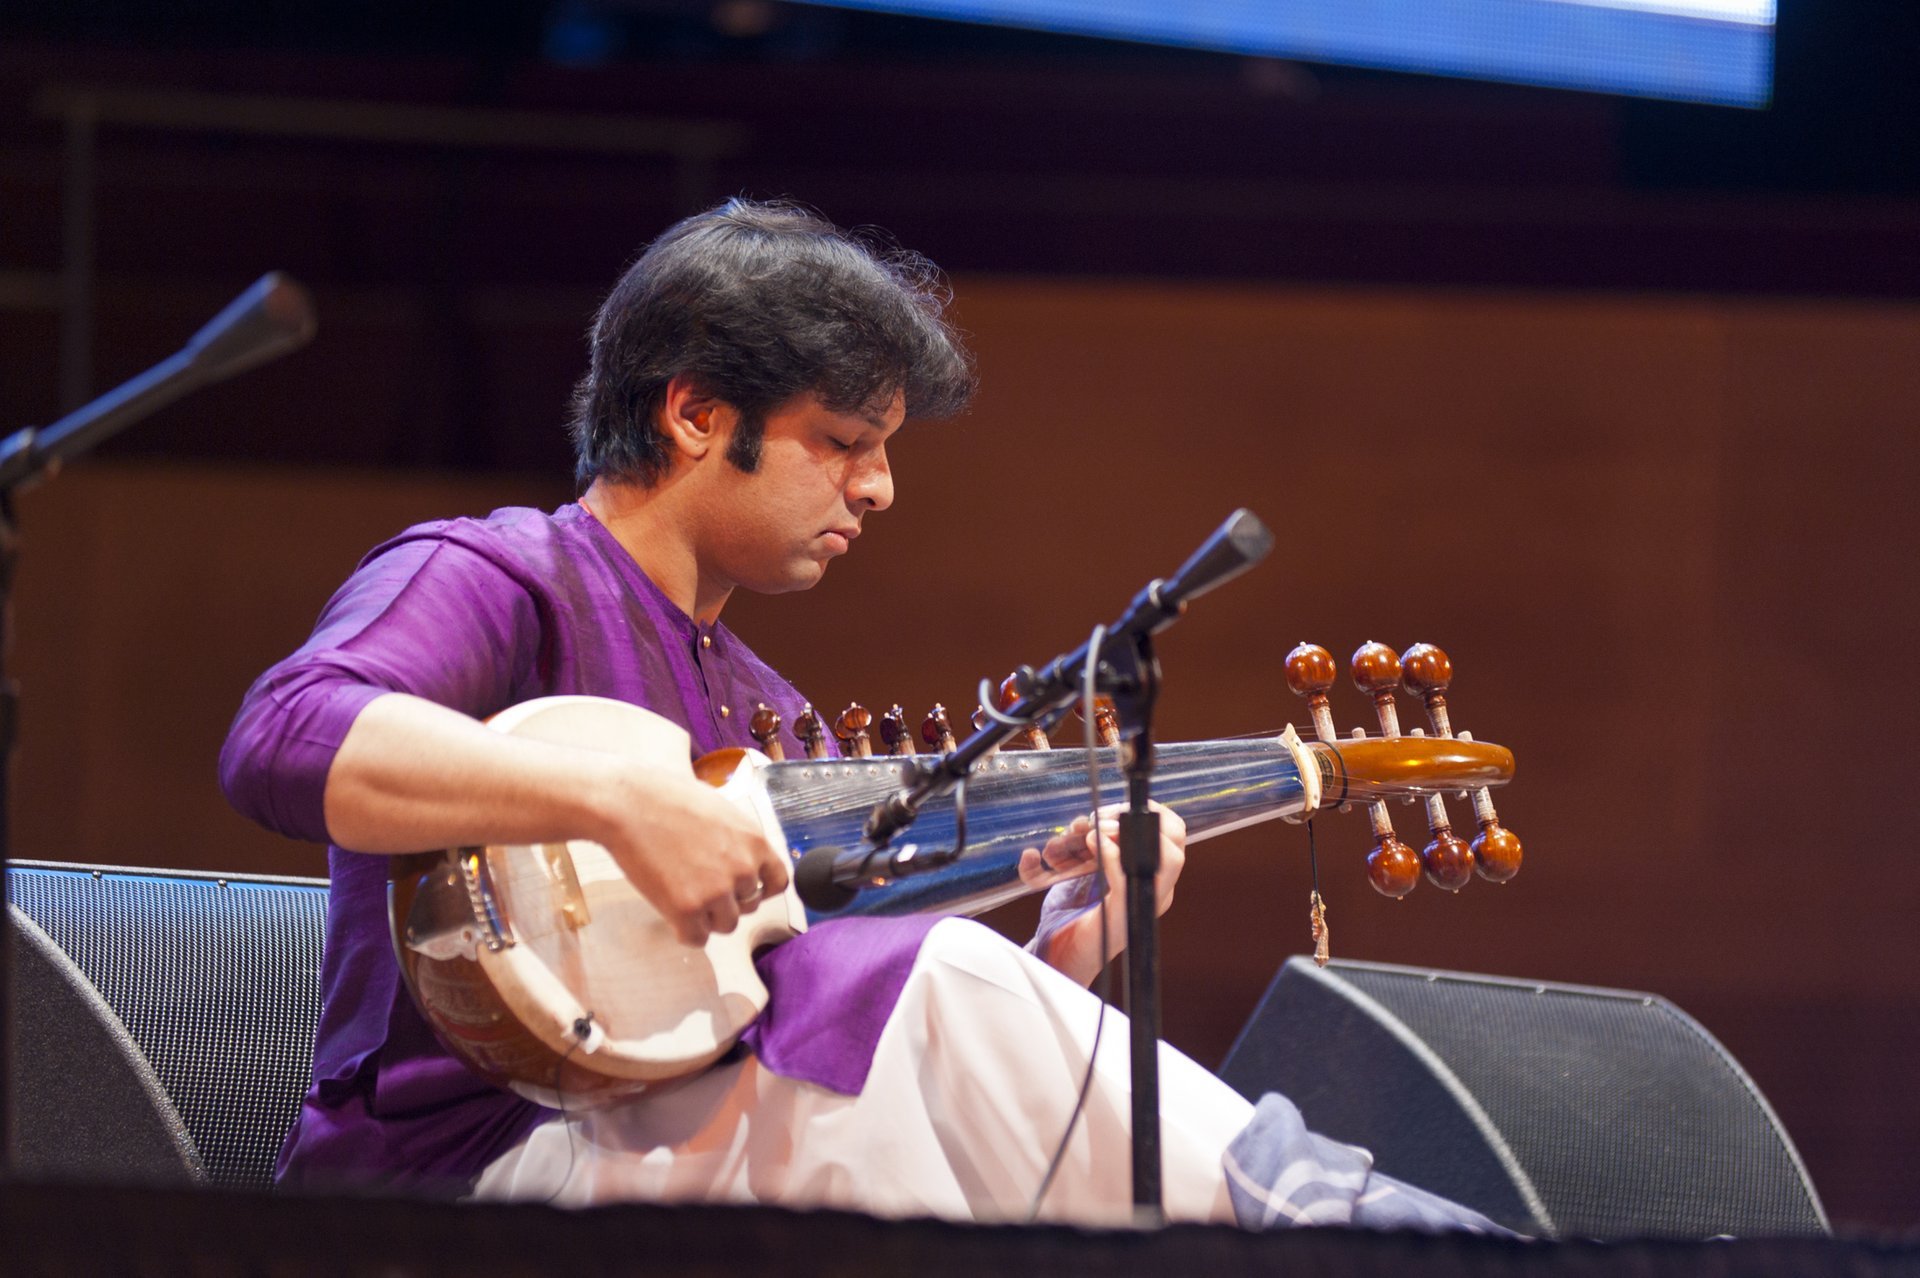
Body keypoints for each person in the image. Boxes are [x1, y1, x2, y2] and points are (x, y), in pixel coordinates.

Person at [220, 199, 1501, 1232]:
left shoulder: (768, 720)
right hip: (461, 1180)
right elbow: (282, 734)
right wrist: (616, 796)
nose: (880, 488)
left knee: (905, 1022)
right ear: (695, 412)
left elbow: (828, 1014)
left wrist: (1069, 938)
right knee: (922, 984)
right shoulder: (499, 577)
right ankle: (1343, 1223)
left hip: (692, 1147)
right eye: (843, 440)